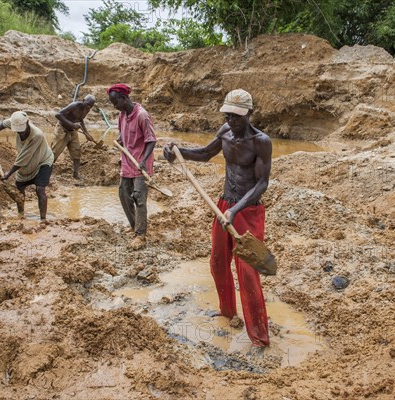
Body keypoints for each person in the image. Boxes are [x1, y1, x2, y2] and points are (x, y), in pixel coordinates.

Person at [163, 89, 272, 348]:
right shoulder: (224, 132)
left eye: (236, 117)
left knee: (247, 273)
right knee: (217, 261)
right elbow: (203, 153)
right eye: (228, 115)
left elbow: (262, 183)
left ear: (249, 115)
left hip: (248, 211)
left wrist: (236, 211)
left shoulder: (261, 141)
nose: (232, 121)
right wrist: (178, 152)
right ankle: (227, 313)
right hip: (223, 205)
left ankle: (259, 337)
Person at [107, 83, 157, 250]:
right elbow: (122, 131)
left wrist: (143, 160)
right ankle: (135, 226)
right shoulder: (122, 115)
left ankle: (141, 235)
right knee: (124, 195)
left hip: (141, 164)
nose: (115, 106)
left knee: (139, 198)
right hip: (127, 163)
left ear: (124, 98)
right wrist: (120, 138)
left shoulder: (142, 115)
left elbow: (151, 140)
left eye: (116, 102)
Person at [0, 111, 54, 221]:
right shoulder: (15, 122)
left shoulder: (37, 135)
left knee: (40, 189)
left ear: (27, 122)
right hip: (27, 164)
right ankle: (21, 215)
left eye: (22, 131)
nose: (20, 133)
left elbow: (23, 157)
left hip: (43, 160)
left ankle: (43, 219)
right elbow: (4, 123)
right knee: (19, 188)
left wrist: (9, 173)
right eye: (18, 132)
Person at [52, 94, 97, 179]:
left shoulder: (87, 109)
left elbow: (81, 119)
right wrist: (72, 124)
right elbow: (58, 115)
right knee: (55, 153)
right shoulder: (74, 105)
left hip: (72, 131)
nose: (88, 107)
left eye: (91, 106)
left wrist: (86, 133)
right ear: (83, 100)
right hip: (62, 129)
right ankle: (46, 173)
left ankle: (76, 175)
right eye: (87, 104)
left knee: (77, 154)